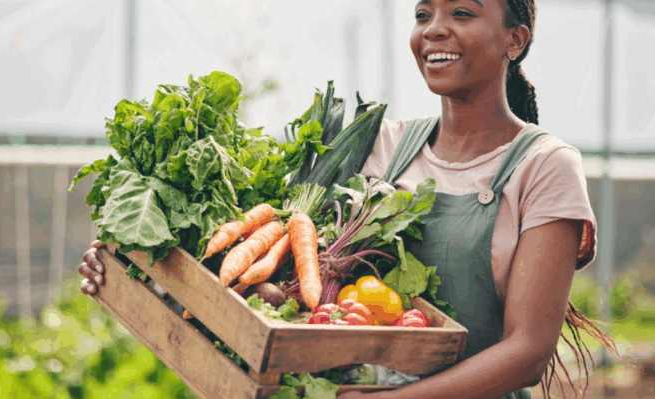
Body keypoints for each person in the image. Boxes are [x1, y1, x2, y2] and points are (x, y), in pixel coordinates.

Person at [79, 0, 619, 397]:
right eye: (422, 13)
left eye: (462, 13)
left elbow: (527, 351)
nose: (434, 30)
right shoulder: (384, 145)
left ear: (515, 40)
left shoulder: (544, 167)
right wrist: (149, 267)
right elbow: (309, 297)